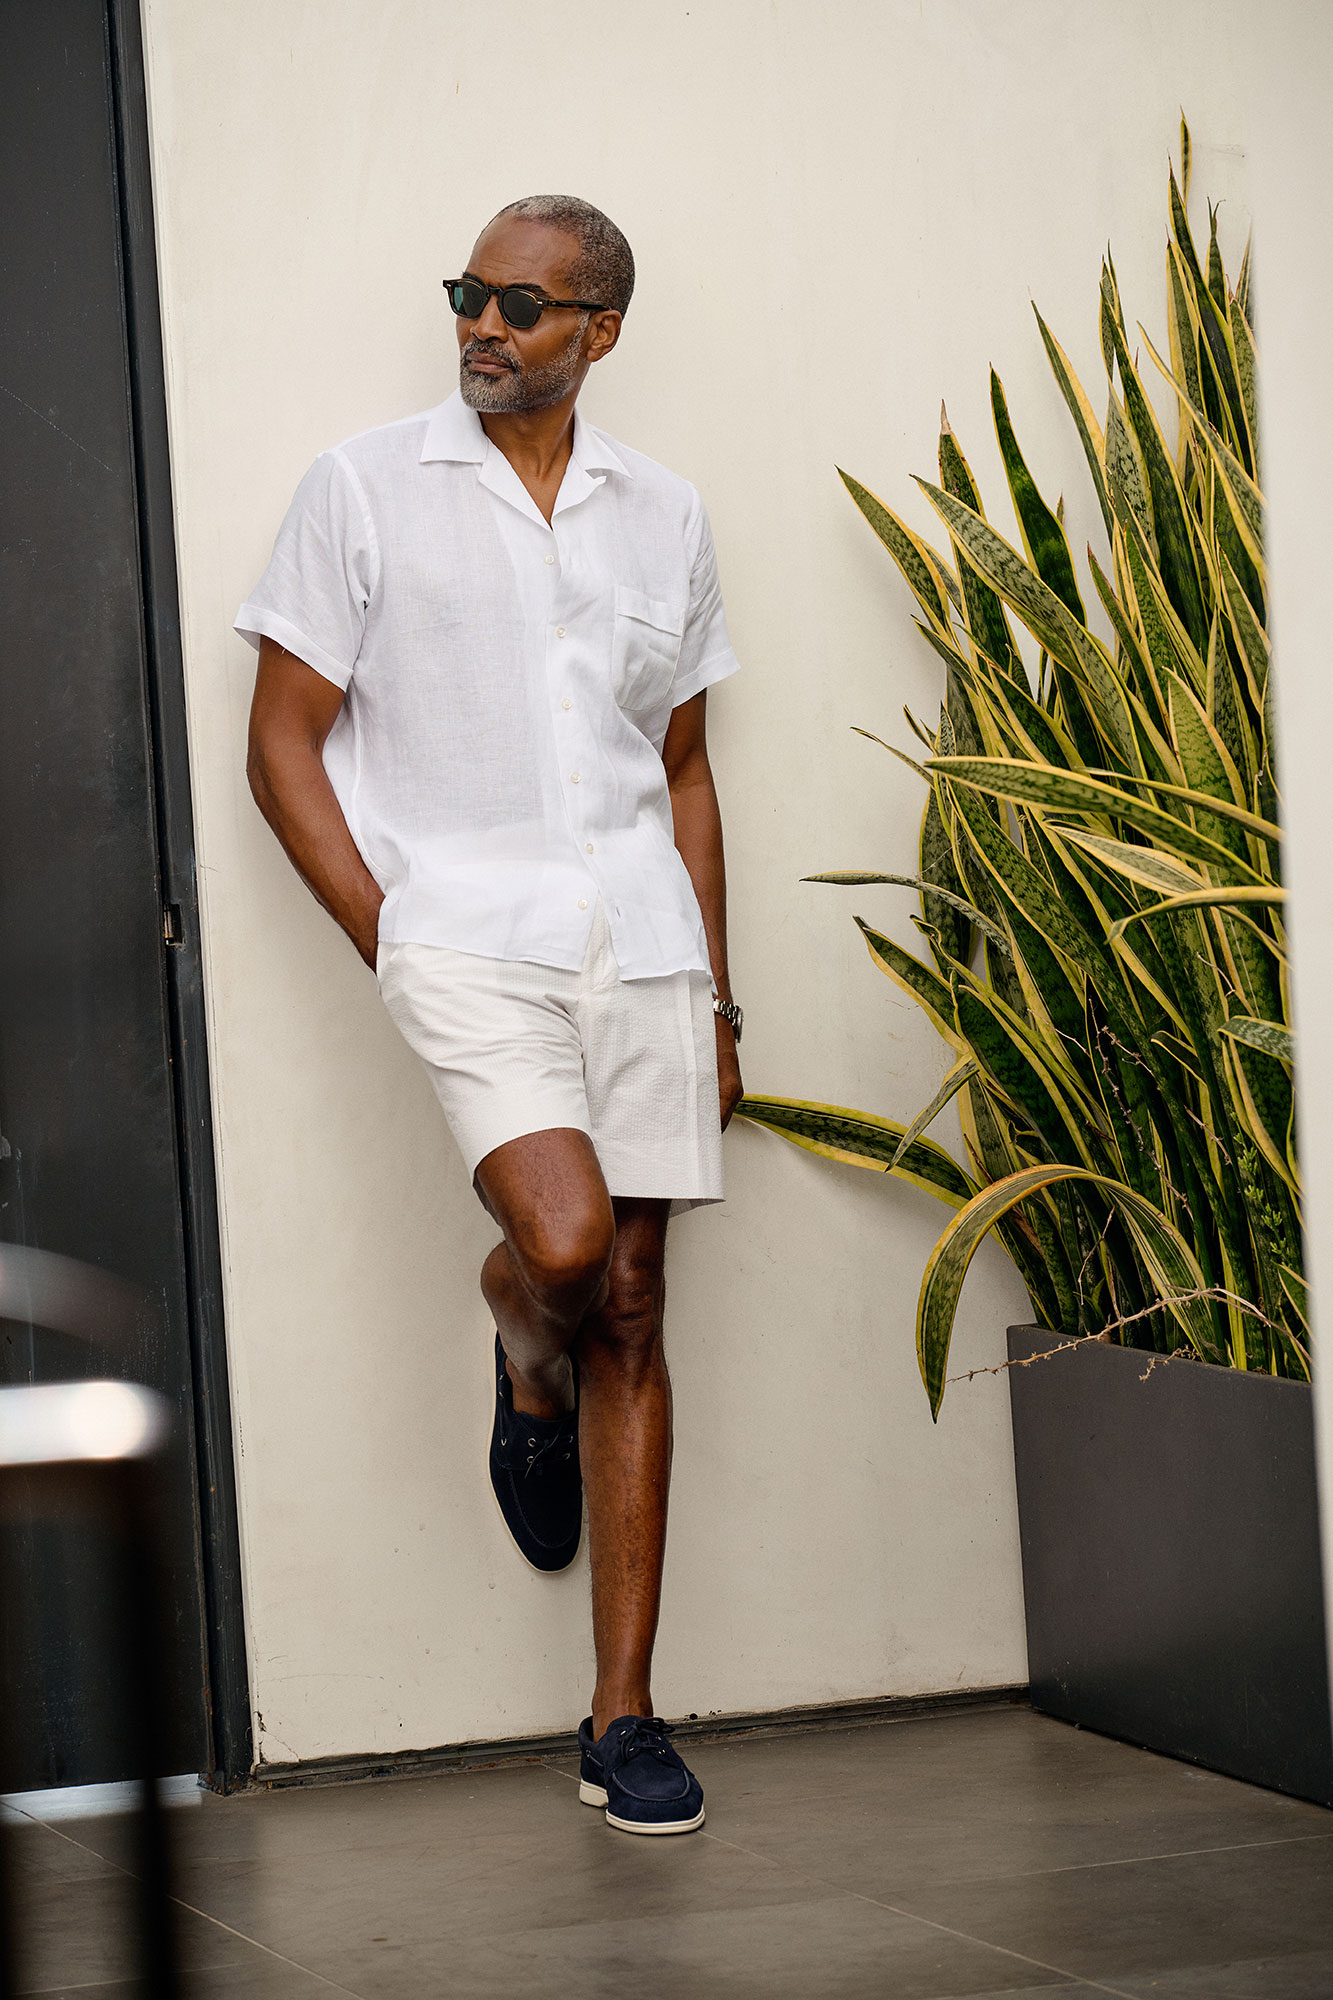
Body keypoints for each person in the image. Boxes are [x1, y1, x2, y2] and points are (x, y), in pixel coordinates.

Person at [240, 195, 742, 1836]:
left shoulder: (663, 513)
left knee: (637, 1307)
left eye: (521, 304)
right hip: (462, 936)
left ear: (599, 329)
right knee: (569, 1247)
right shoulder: (365, 486)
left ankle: (622, 1718)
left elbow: (680, 770)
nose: (481, 324)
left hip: (641, 939)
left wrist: (719, 998)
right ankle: (526, 1359)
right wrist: (390, 934)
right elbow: (281, 742)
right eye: (469, 292)